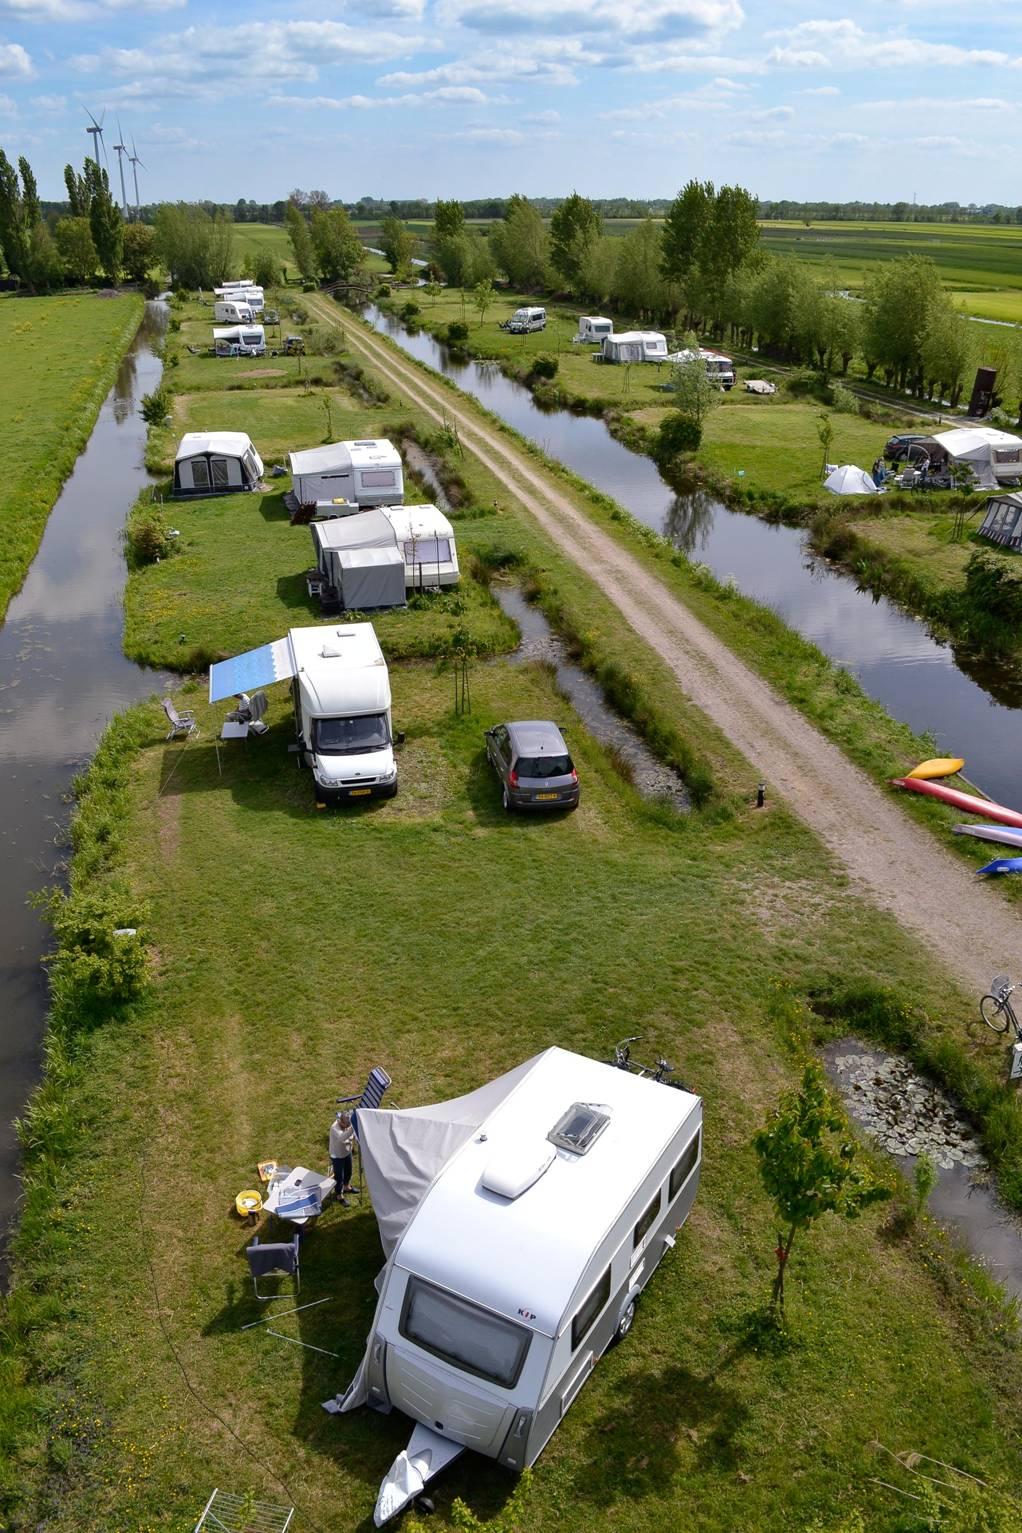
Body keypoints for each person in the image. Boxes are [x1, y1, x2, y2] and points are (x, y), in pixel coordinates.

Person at [329, 1110, 356, 1208]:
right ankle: (339, 1195)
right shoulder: (334, 1128)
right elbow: (343, 1138)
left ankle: (347, 1186)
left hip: (346, 1152)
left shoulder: (347, 1126)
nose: (348, 1127)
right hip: (337, 1155)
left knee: (349, 1171)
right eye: (347, 1125)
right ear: (341, 1121)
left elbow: (351, 1136)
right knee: (339, 1176)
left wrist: (351, 1130)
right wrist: (352, 1129)